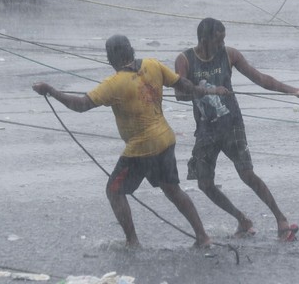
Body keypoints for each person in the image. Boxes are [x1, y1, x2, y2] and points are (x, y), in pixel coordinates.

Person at [32, 34, 223, 248]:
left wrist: (50, 91)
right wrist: (204, 91)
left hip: (141, 149)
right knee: (172, 190)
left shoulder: (113, 84)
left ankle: (132, 241)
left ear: (110, 58)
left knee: (114, 191)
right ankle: (202, 236)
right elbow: (183, 84)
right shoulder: (153, 64)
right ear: (131, 51)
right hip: (166, 140)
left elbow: (81, 105)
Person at [175, 17, 299, 241]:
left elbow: (261, 79)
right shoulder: (185, 60)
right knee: (205, 184)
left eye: (224, 39)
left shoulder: (230, 54)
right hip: (205, 129)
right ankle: (242, 219)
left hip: (232, 124)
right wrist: (210, 91)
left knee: (247, 174)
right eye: (218, 40)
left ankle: (280, 219)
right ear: (205, 40)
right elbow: (179, 94)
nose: (222, 44)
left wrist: (295, 91)